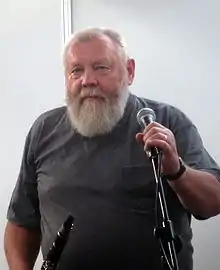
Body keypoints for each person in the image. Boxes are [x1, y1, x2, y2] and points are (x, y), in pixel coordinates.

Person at [4, 27, 220, 270]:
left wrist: (176, 170)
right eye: (76, 70)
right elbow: (22, 221)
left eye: (101, 67)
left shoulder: (166, 122)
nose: (88, 80)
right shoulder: (44, 129)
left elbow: (212, 202)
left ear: (129, 71)